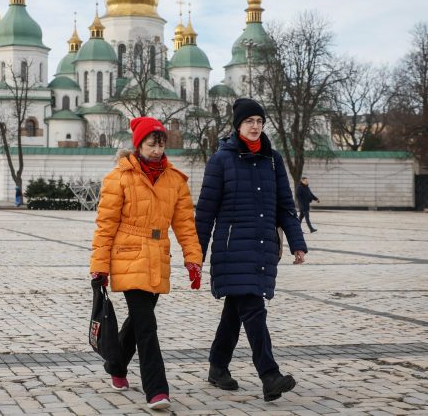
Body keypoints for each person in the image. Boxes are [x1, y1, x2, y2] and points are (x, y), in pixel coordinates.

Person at [195, 98, 308, 403]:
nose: (255, 126)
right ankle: (269, 375)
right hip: (232, 249)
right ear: (238, 125)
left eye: (259, 121)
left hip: (262, 248)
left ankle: (218, 366)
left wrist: (297, 242)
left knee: (236, 311)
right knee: (254, 310)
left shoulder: (273, 160)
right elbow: (205, 212)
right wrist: (196, 254)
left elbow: (285, 206)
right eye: (249, 122)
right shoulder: (221, 160)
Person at [89, 117, 203, 411]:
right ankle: (156, 389)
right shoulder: (119, 177)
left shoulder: (175, 179)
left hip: (158, 256)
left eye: (161, 143)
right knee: (147, 326)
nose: (156, 149)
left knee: (140, 320)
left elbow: (185, 224)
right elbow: (105, 225)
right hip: (128, 253)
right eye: (151, 144)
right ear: (138, 145)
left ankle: (116, 365)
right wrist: (99, 266)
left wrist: (193, 259)